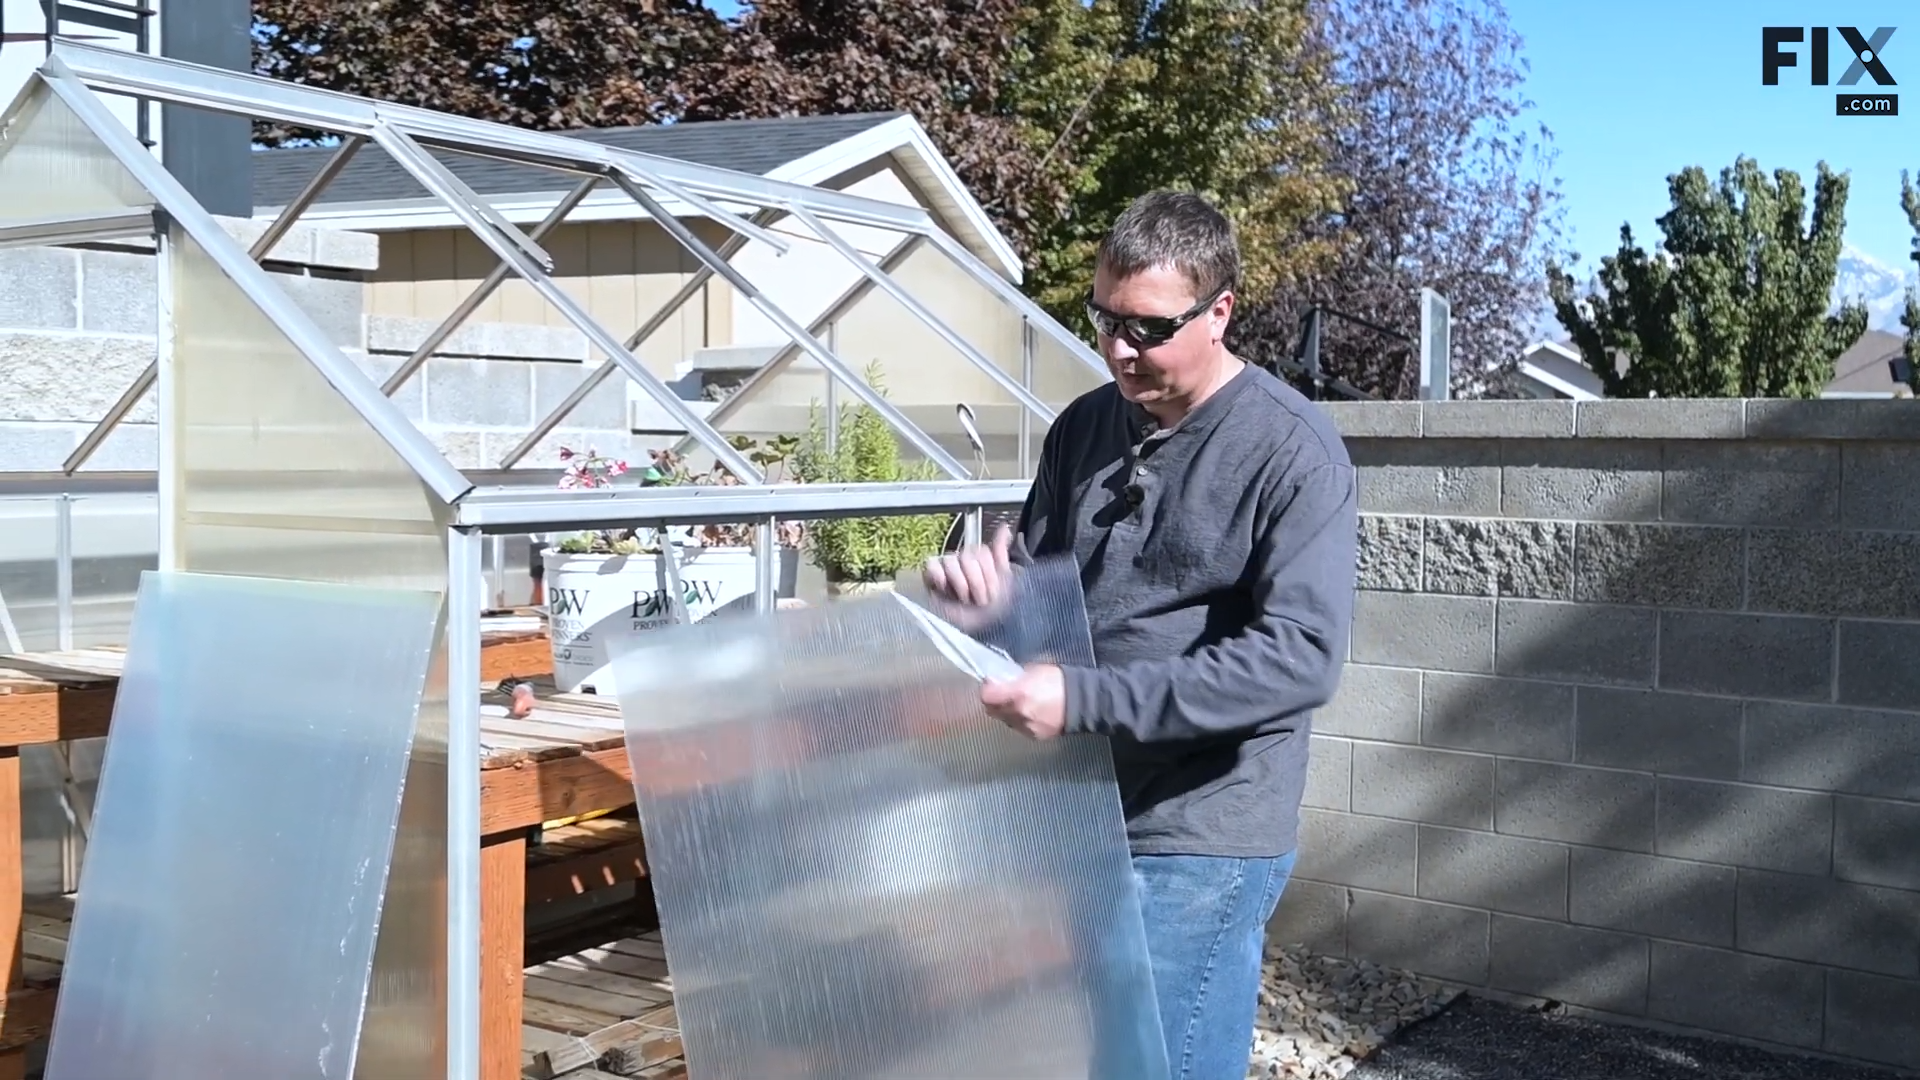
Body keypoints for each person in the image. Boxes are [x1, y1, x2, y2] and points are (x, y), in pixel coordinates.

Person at [922, 189, 1358, 1080]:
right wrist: (989, 604)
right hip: (1081, 808)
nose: (1120, 349)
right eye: (1105, 319)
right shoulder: (1084, 427)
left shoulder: (1293, 452)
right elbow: (1045, 592)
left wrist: (1082, 699)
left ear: (1220, 312)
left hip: (1200, 831)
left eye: (1149, 329)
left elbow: (1300, 659)